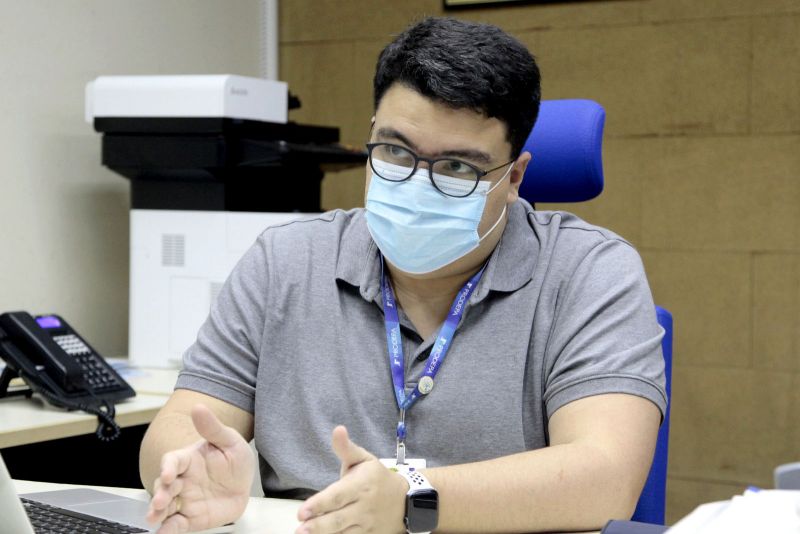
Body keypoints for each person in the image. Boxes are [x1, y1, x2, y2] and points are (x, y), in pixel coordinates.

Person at [140, 17, 666, 534]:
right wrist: (191, 471)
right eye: (395, 152)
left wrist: (413, 499)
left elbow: (605, 476)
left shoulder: (588, 270)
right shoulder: (285, 260)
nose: (418, 184)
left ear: (514, 177)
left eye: (457, 167)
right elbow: (186, 420)